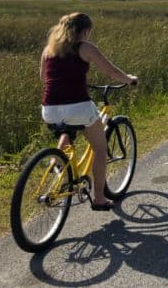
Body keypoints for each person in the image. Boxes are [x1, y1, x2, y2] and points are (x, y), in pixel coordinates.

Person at [40, 12, 138, 211]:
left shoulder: (49, 49)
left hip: (49, 109)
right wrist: (129, 79)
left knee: (66, 128)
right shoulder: (85, 47)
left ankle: (56, 159)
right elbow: (111, 71)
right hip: (78, 107)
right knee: (100, 149)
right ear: (84, 31)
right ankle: (100, 198)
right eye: (89, 31)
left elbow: (44, 78)